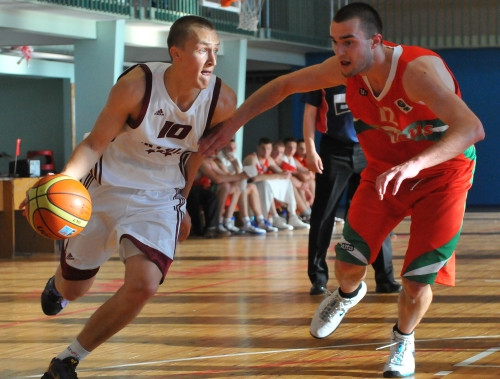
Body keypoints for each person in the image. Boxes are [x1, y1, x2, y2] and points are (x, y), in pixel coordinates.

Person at [198, 3, 485, 377]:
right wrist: (232, 124)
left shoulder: (417, 72)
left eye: (349, 42)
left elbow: (471, 127)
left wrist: (415, 164)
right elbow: (283, 86)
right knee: (347, 265)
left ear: (376, 41)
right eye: (335, 43)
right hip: (384, 174)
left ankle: (403, 340)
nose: (340, 52)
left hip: (442, 177)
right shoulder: (342, 69)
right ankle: (348, 294)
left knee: (415, 283)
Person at [20, 15, 237, 379]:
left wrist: (182, 203)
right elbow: (94, 143)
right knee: (75, 287)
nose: (213, 60)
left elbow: (197, 155)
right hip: (104, 188)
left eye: (217, 51)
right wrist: (56, 185)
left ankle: (68, 360)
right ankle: (59, 285)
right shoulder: (137, 86)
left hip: (158, 198)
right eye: (203, 50)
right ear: (177, 54)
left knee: (144, 284)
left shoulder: (221, 101)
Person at [302, 86, 402, 295]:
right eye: (340, 49)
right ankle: (318, 278)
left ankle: (385, 278)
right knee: (323, 215)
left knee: (375, 213)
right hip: (334, 149)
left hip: (367, 149)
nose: (344, 51)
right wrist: (310, 150)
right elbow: (310, 113)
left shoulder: (369, 76)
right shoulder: (323, 77)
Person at [243, 137, 311, 230]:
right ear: (258, 148)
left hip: (262, 186)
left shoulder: (269, 159)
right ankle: (272, 217)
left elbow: (284, 174)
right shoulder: (252, 158)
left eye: (268, 149)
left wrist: (281, 175)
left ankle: (292, 216)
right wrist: (277, 176)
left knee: (286, 182)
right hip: (250, 187)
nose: (266, 151)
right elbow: (253, 178)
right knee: (266, 184)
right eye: (263, 148)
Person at [217, 139, 278, 233]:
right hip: (223, 186)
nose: (232, 150)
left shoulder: (235, 157)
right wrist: (236, 166)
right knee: (241, 188)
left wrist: (238, 168)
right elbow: (231, 177)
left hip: (234, 185)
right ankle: (245, 222)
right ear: (224, 148)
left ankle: (260, 220)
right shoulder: (220, 159)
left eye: (234, 148)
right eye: (229, 148)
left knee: (252, 187)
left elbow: (239, 176)